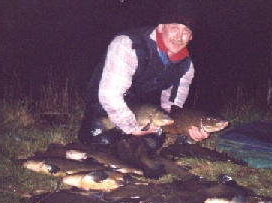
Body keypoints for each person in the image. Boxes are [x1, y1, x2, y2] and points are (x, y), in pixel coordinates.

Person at [78, 0, 209, 146]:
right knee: (103, 142)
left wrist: (187, 129)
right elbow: (109, 95)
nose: (179, 37)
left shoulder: (186, 66)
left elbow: (172, 107)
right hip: (106, 106)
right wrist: (131, 127)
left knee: (152, 143)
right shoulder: (128, 44)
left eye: (186, 31)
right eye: (174, 28)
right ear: (160, 28)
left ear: (191, 37)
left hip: (144, 112)